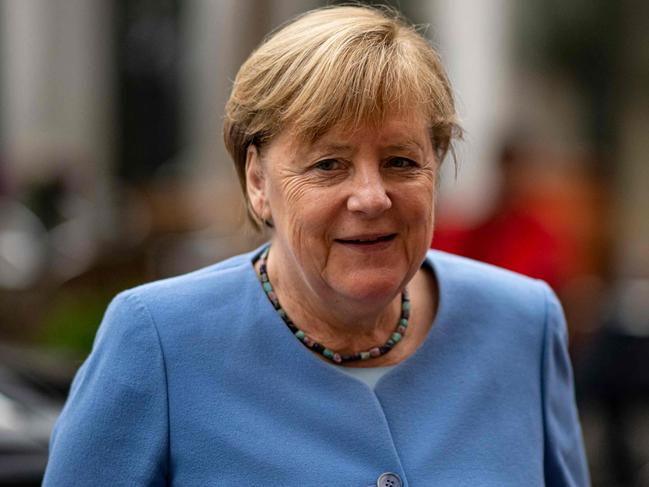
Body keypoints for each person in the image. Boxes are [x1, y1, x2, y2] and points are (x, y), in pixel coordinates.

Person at [43, 5, 590, 486]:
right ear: (258, 182)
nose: (372, 198)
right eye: (329, 165)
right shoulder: (158, 341)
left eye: (401, 161)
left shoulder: (523, 324)